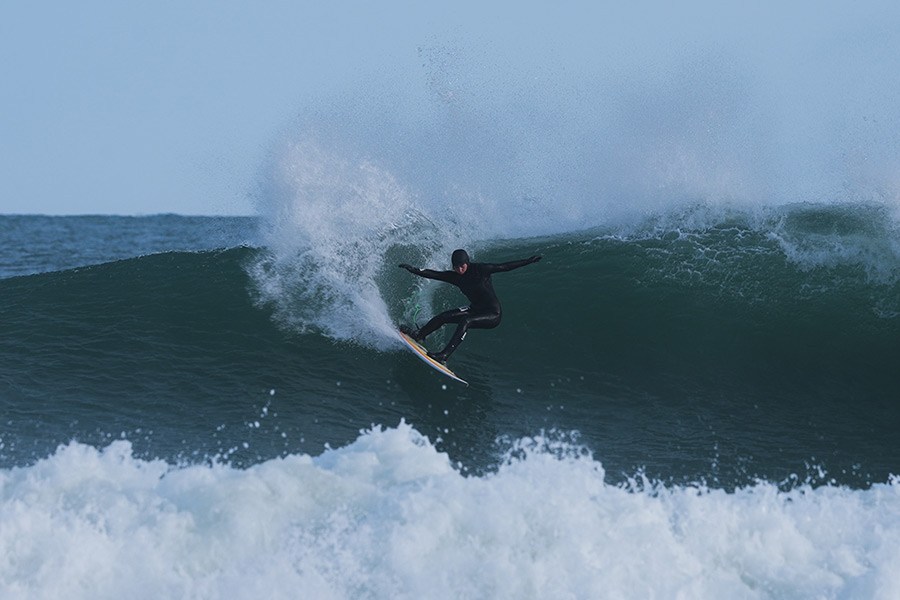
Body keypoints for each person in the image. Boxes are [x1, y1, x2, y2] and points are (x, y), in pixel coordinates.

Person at [399, 249, 542, 364]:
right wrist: (414, 270)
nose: (460, 270)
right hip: (475, 308)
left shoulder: (481, 269)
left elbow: (504, 266)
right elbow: (435, 274)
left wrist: (528, 261)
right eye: (456, 267)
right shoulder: (455, 276)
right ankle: (419, 335)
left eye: (462, 266)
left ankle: (444, 356)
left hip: (492, 313)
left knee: (466, 321)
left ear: (467, 262)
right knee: (444, 317)